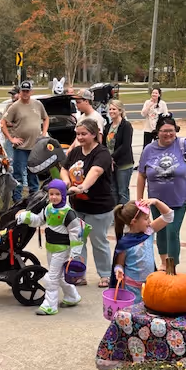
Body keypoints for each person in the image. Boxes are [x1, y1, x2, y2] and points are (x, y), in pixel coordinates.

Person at [16, 179, 88, 315]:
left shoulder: (68, 213)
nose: (54, 197)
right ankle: (72, 297)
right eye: (51, 194)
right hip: (51, 248)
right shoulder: (48, 209)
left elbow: (76, 233)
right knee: (59, 276)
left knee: (52, 277)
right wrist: (26, 217)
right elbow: (38, 220)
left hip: (62, 250)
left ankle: (50, 305)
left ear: (63, 194)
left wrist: (75, 253)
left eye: (57, 194)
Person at [137, 114, 186, 268]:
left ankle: (172, 265)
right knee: (161, 232)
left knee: (172, 232)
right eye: (164, 131)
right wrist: (140, 200)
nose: (168, 134)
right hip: (156, 200)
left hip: (178, 200)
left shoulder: (183, 146)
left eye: (171, 130)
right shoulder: (149, 149)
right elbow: (141, 175)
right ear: (157, 132)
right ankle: (164, 262)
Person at [61, 119, 114, 288]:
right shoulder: (75, 151)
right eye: (78, 134)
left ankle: (105, 274)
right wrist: (67, 183)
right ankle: (79, 273)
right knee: (78, 242)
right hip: (78, 206)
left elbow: (96, 171)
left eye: (84, 134)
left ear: (94, 134)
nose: (80, 137)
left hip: (98, 207)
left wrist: (83, 187)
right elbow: (64, 167)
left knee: (99, 241)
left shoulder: (102, 153)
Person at [111, 198, 174, 303]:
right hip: (131, 289)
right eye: (146, 218)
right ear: (134, 222)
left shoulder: (148, 232)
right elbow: (119, 264)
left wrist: (157, 202)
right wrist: (118, 270)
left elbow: (169, 216)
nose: (149, 221)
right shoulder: (124, 243)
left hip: (150, 285)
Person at [0, 80, 49, 203]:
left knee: (33, 171)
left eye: (28, 91)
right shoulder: (15, 106)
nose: (25, 93)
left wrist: (43, 134)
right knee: (18, 173)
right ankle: (17, 197)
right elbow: (3, 123)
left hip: (35, 146)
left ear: (31, 91)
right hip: (21, 147)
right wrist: (11, 139)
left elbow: (46, 118)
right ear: (20, 92)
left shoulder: (38, 104)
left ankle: (34, 195)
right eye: (23, 91)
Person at [103, 100, 134, 204]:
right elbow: (104, 144)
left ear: (120, 111)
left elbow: (125, 145)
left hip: (123, 164)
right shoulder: (108, 127)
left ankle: (125, 215)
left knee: (122, 191)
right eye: (110, 109)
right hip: (110, 164)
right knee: (113, 191)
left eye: (114, 109)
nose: (111, 111)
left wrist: (112, 157)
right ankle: (115, 215)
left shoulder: (126, 126)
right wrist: (107, 158)